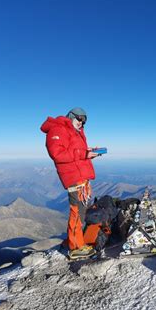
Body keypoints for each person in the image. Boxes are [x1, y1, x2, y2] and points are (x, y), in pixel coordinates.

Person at [40, 107, 101, 259]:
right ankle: (75, 248)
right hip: (74, 178)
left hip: (80, 177)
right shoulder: (57, 129)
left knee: (81, 212)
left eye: (84, 120)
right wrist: (83, 153)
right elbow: (57, 154)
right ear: (71, 116)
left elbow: (73, 152)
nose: (82, 122)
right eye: (80, 118)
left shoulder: (73, 132)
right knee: (77, 213)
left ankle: (77, 242)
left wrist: (87, 151)